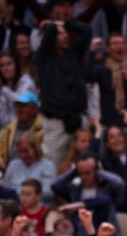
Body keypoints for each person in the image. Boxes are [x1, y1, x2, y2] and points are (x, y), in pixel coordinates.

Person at [35, 17, 91, 166]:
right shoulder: (44, 56)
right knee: (52, 163)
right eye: (60, 34)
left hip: (77, 119)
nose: (65, 36)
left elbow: (86, 31)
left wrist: (66, 23)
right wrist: (50, 25)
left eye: (66, 33)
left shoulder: (73, 54)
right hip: (56, 122)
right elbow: (51, 30)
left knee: (84, 161)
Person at [0, 91, 43, 171]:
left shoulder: (44, 128)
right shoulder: (8, 128)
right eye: (17, 106)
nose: (19, 110)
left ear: (35, 109)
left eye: (24, 106)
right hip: (9, 170)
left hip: (35, 170)